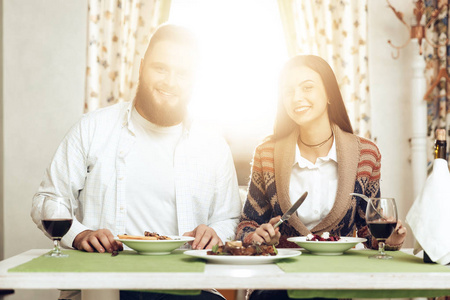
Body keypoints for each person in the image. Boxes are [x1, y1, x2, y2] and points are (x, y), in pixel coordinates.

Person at [31, 24, 241, 300]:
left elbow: (228, 217)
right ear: (141, 67)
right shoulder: (93, 128)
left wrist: (214, 233)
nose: (170, 81)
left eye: (182, 73)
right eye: (161, 68)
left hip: (189, 285)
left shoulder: (213, 143)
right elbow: (46, 199)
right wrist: (79, 235)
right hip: (104, 283)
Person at [236, 55, 407, 300]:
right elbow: (246, 226)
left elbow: (368, 229)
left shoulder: (366, 155)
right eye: (288, 91)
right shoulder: (267, 154)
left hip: (340, 278)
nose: (296, 97)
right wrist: (258, 235)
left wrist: (389, 238)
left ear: (328, 95)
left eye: (307, 87)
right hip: (279, 281)